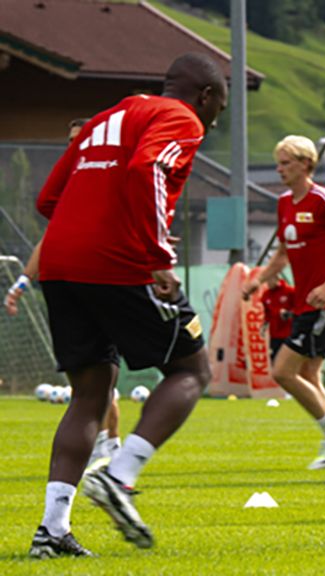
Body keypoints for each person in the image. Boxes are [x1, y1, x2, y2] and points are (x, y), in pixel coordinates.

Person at [28, 52, 228, 558]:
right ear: (204, 96)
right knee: (191, 370)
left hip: (60, 264)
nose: (212, 122)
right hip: (117, 262)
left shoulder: (106, 117)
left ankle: (51, 531)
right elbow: (149, 168)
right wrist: (159, 255)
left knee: (90, 394)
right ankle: (119, 478)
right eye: (217, 111)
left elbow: (48, 200)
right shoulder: (180, 116)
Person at [4, 118, 124, 473]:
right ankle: (106, 448)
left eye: (79, 140)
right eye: (68, 141)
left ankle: (112, 449)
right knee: (85, 377)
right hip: (69, 290)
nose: (72, 147)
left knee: (102, 371)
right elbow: (51, 237)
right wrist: (24, 281)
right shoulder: (69, 183)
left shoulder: (105, 179)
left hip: (103, 285)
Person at [241, 135, 325, 470]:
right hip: (304, 304)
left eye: (286, 163)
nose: (279, 169)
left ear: (307, 164)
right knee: (309, 373)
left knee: (282, 371)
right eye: (278, 163)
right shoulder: (284, 203)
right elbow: (282, 253)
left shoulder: (324, 200)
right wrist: (258, 281)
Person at [260, 275, 296, 361]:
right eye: (267, 281)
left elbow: (298, 308)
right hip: (275, 334)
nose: (268, 283)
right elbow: (267, 313)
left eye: (270, 280)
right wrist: (264, 325)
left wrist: (288, 314)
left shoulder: (289, 291)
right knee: (274, 359)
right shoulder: (266, 295)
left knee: (286, 361)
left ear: (277, 279)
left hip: (289, 333)